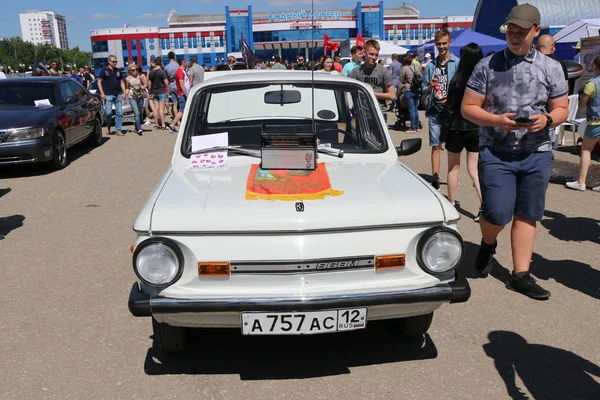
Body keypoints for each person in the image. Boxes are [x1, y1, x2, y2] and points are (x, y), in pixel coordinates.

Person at [461, 3, 568, 299]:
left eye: (522, 31)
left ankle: (520, 274)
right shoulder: (488, 65)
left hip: (538, 151)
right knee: (496, 212)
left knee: (528, 213)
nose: (515, 36)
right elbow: (468, 107)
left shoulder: (551, 68)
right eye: (511, 30)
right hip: (496, 150)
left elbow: (561, 109)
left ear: (536, 31)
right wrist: (497, 120)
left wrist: (547, 119)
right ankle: (487, 243)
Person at [440, 43, 484, 221]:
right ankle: (484, 205)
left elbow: (449, 109)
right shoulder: (481, 80)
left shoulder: (456, 80)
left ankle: (451, 204)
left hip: (456, 128)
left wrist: (443, 136)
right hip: (476, 128)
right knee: (474, 169)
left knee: (453, 168)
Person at [422, 29, 460, 189]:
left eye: (444, 43)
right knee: (436, 145)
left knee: (452, 147)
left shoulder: (457, 63)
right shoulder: (431, 65)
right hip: (435, 110)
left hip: (451, 111)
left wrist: (451, 99)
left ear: (450, 43)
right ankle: (435, 177)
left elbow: (461, 87)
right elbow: (423, 89)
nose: (442, 46)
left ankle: (453, 175)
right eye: (439, 44)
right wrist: (430, 87)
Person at [565, 55, 600, 192]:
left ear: (594, 67)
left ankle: (581, 182)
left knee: (586, 149)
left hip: (595, 122)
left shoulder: (591, 84)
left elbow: (581, 105)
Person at [350, 39, 395, 119]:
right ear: (364, 53)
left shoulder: (383, 71)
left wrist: (371, 93)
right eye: (371, 54)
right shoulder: (355, 72)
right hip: (361, 114)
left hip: (379, 113)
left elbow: (391, 95)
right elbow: (349, 93)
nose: (374, 57)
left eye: (376, 55)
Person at [97, 55, 127, 136]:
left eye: (116, 61)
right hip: (108, 95)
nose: (115, 63)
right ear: (109, 61)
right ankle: (109, 125)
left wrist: (124, 92)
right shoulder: (104, 70)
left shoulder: (118, 71)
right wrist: (102, 93)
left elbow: (122, 82)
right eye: (113, 61)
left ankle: (118, 130)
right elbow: (99, 82)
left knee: (119, 113)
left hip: (118, 94)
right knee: (108, 113)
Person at [167, 58, 190, 133]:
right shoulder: (180, 72)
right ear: (183, 62)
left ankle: (180, 124)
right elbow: (181, 84)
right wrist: (186, 94)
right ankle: (172, 124)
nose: (187, 63)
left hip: (183, 94)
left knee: (184, 110)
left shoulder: (182, 71)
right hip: (182, 94)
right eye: (186, 62)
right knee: (182, 111)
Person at [399, 54, 421, 132]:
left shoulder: (405, 68)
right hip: (417, 90)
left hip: (409, 90)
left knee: (411, 110)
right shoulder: (416, 66)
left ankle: (413, 128)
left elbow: (401, 79)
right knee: (415, 109)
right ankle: (417, 127)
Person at [148, 57, 169, 130]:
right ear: (160, 63)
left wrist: (150, 92)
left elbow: (149, 84)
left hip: (154, 92)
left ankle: (156, 124)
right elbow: (166, 83)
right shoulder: (162, 72)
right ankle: (163, 124)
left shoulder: (151, 72)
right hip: (161, 91)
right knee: (161, 109)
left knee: (156, 109)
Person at [125, 63, 146, 135]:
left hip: (140, 96)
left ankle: (136, 127)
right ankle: (139, 129)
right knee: (136, 112)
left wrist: (144, 86)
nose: (135, 71)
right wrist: (125, 94)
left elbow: (145, 84)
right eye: (133, 70)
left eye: (136, 69)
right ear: (130, 71)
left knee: (139, 112)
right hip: (132, 97)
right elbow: (127, 88)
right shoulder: (128, 79)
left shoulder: (140, 76)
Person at [164, 51, 179, 123]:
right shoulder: (178, 65)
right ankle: (180, 118)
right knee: (181, 102)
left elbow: (166, 78)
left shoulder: (166, 67)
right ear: (174, 56)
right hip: (179, 85)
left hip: (171, 86)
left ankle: (177, 120)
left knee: (174, 103)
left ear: (168, 57)